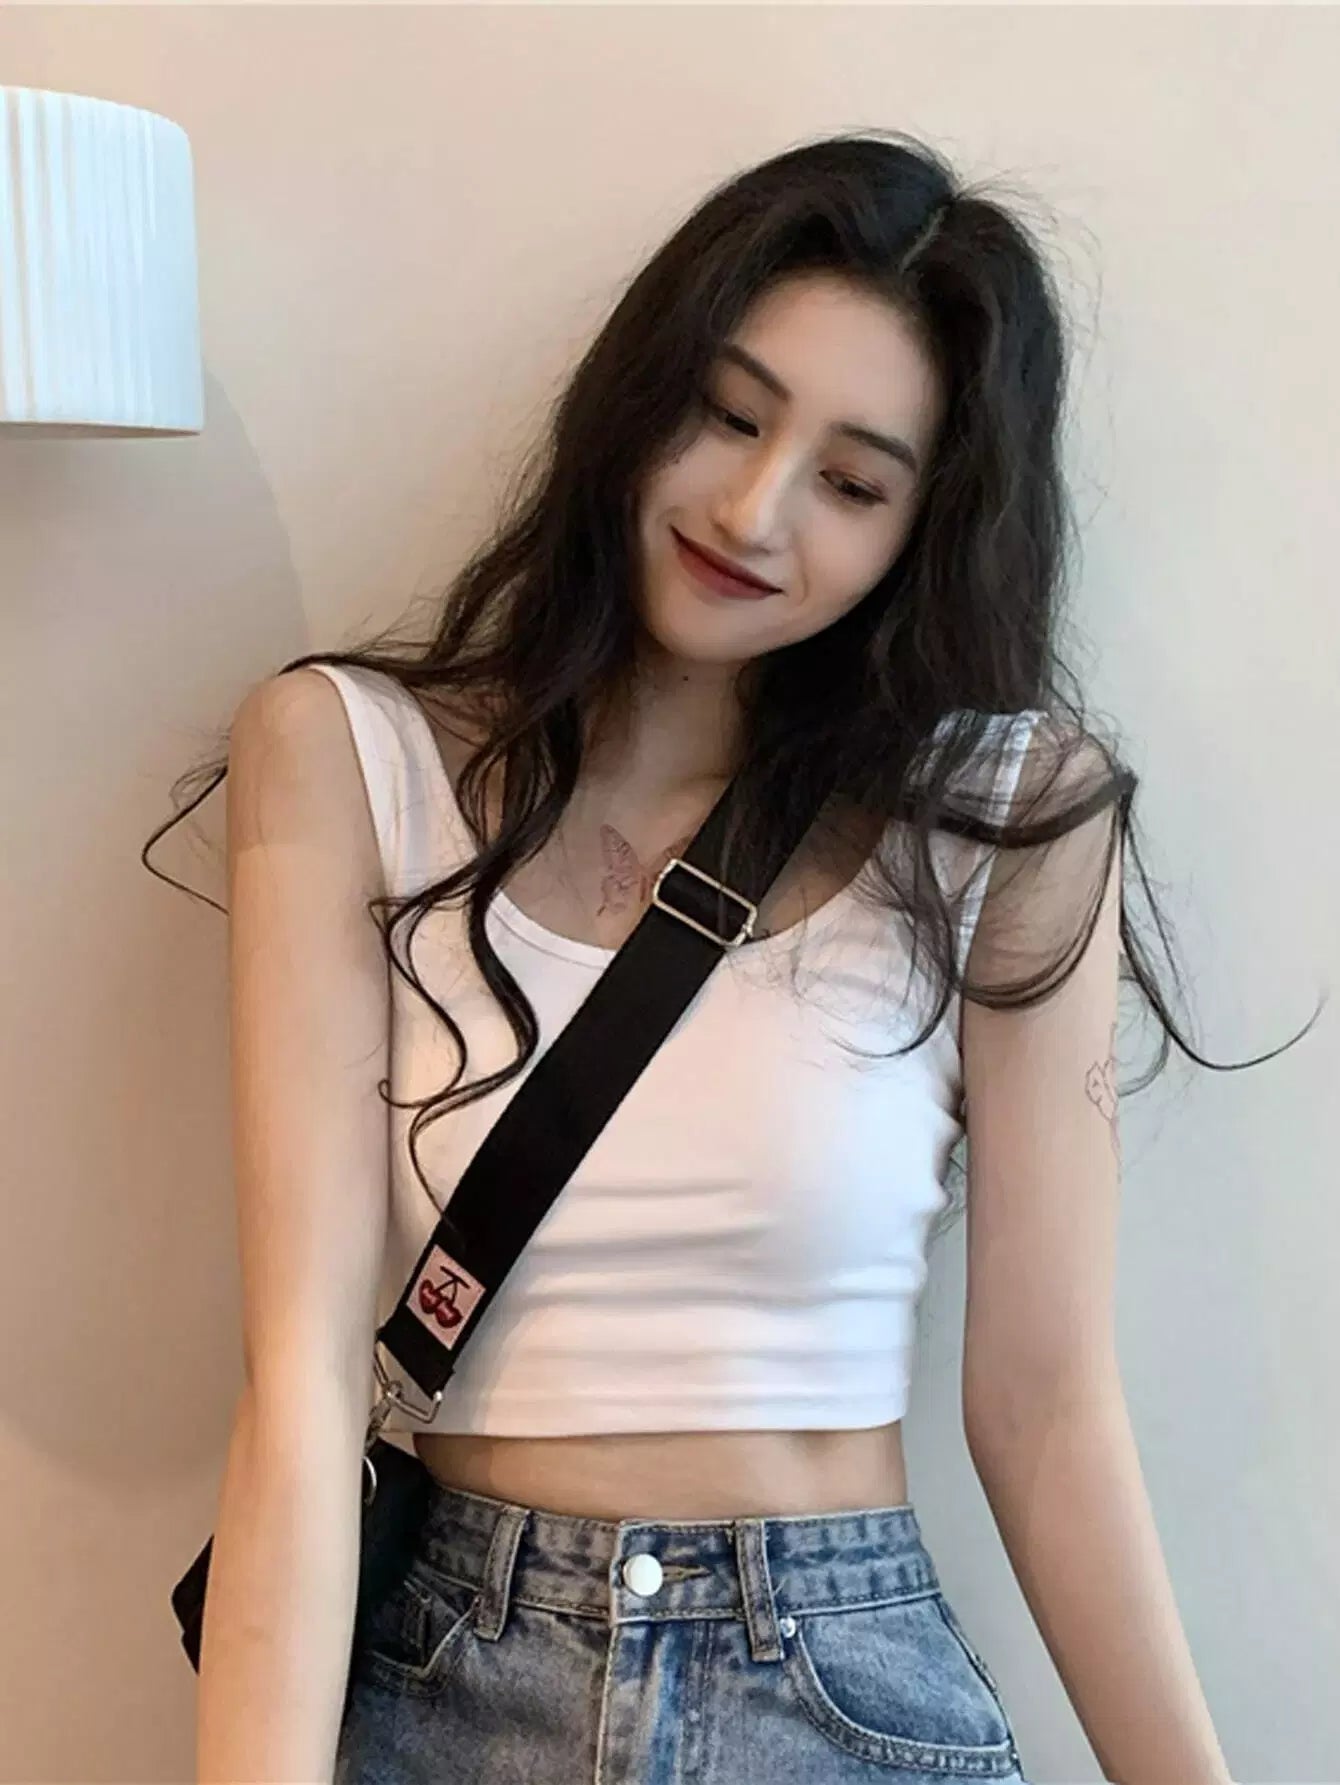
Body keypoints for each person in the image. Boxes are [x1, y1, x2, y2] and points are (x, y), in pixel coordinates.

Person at [146, 129, 1312, 1784]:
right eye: (730, 412)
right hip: (449, 1676)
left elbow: (1046, 1409)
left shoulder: (1005, 814)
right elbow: (302, 1391)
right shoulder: (349, 757)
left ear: (923, 529)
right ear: (644, 392)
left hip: (838, 1690)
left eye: (853, 483)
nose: (754, 512)